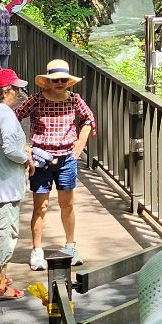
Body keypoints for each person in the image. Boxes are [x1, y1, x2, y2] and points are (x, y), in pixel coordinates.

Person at [15, 59, 96, 271]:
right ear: (47, 82)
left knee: (67, 204)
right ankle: (37, 250)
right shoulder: (36, 100)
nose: (60, 83)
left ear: (68, 82)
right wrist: (23, 146)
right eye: (55, 80)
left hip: (67, 158)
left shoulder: (74, 100)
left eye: (63, 80)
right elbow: (14, 117)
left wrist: (81, 141)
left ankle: (70, 246)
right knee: (40, 206)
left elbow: (89, 119)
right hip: (41, 160)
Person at [0, 69, 33, 298]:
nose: (18, 94)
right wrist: (27, 158)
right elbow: (11, 150)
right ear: (7, 91)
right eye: (16, 89)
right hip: (5, 185)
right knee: (5, 233)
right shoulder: (6, 115)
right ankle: (0, 285)